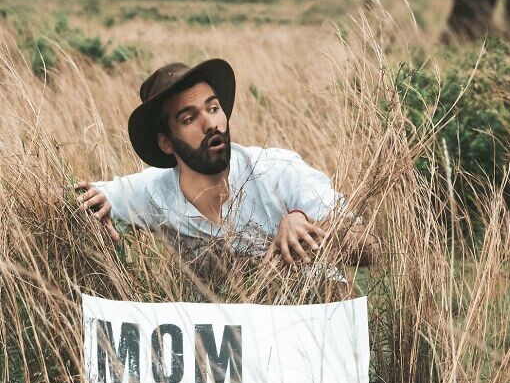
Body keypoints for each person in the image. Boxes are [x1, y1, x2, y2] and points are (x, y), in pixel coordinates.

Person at [76, 59, 376, 274]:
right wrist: (91, 215)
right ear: (167, 143)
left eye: (214, 108)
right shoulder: (153, 192)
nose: (211, 124)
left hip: (315, 324)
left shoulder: (277, 171)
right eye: (189, 119)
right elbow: (86, 196)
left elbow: (370, 250)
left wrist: (305, 223)